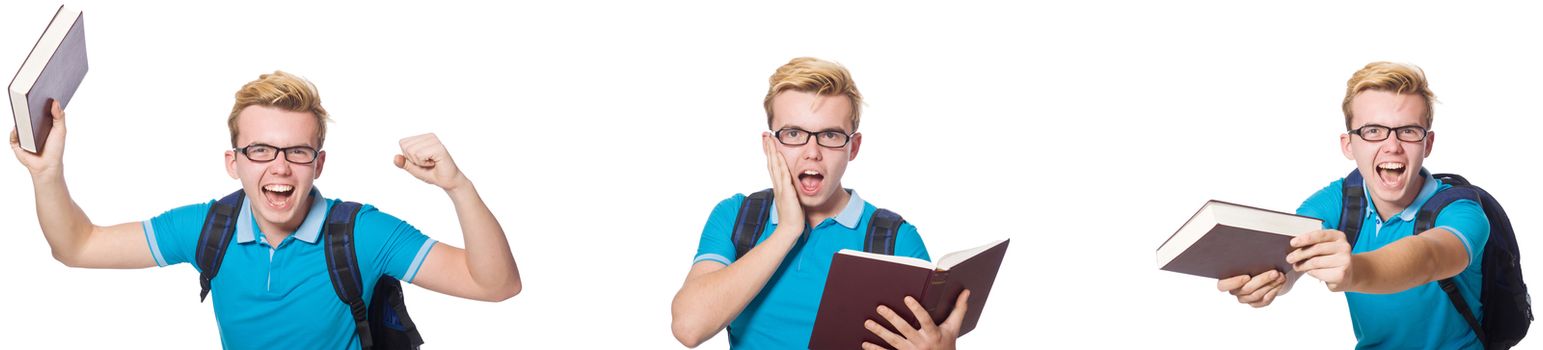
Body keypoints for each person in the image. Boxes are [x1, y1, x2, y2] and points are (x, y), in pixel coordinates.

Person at [9, 71, 522, 349]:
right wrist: (46, 174)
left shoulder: (361, 235)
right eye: (260, 150)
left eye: (297, 151)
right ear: (233, 162)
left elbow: (494, 284)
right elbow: (76, 246)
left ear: (318, 163)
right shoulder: (207, 228)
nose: (279, 167)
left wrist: (458, 187)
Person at [670, 57, 971, 349]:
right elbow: (688, 328)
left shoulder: (897, 241)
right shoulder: (736, 217)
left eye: (830, 135)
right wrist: (787, 230)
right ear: (769, 145)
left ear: (853, 147)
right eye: (794, 133)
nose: (812, 152)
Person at [1218, 62, 1490, 349]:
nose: (1392, 146)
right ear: (1348, 145)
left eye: (1408, 131)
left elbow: (1428, 257)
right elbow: (1290, 254)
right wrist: (1271, 281)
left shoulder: (1463, 211)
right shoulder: (1337, 202)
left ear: (1428, 143)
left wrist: (1355, 271)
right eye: (1373, 131)